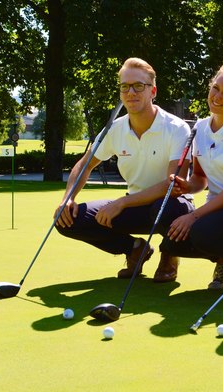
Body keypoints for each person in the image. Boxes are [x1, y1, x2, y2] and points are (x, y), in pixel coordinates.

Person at [54, 57, 192, 283]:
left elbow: (172, 185)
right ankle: (135, 248)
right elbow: (85, 164)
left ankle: (169, 254)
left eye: (139, 86)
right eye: (125, 87)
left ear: (153, 91)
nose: (131, 92)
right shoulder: (115, 129)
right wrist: (68, 198)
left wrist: (121, 203)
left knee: (165, 207)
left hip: (172, 205)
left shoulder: (177, 128)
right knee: (66, 218)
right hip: (135, 206)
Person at [162, 64, 223, 292]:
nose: (217, 96)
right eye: (215, 88)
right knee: (172, 241)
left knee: (197, 230)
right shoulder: (200, 128)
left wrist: (193, 217)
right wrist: (186, 186)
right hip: (214, 209)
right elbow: (200, 178)